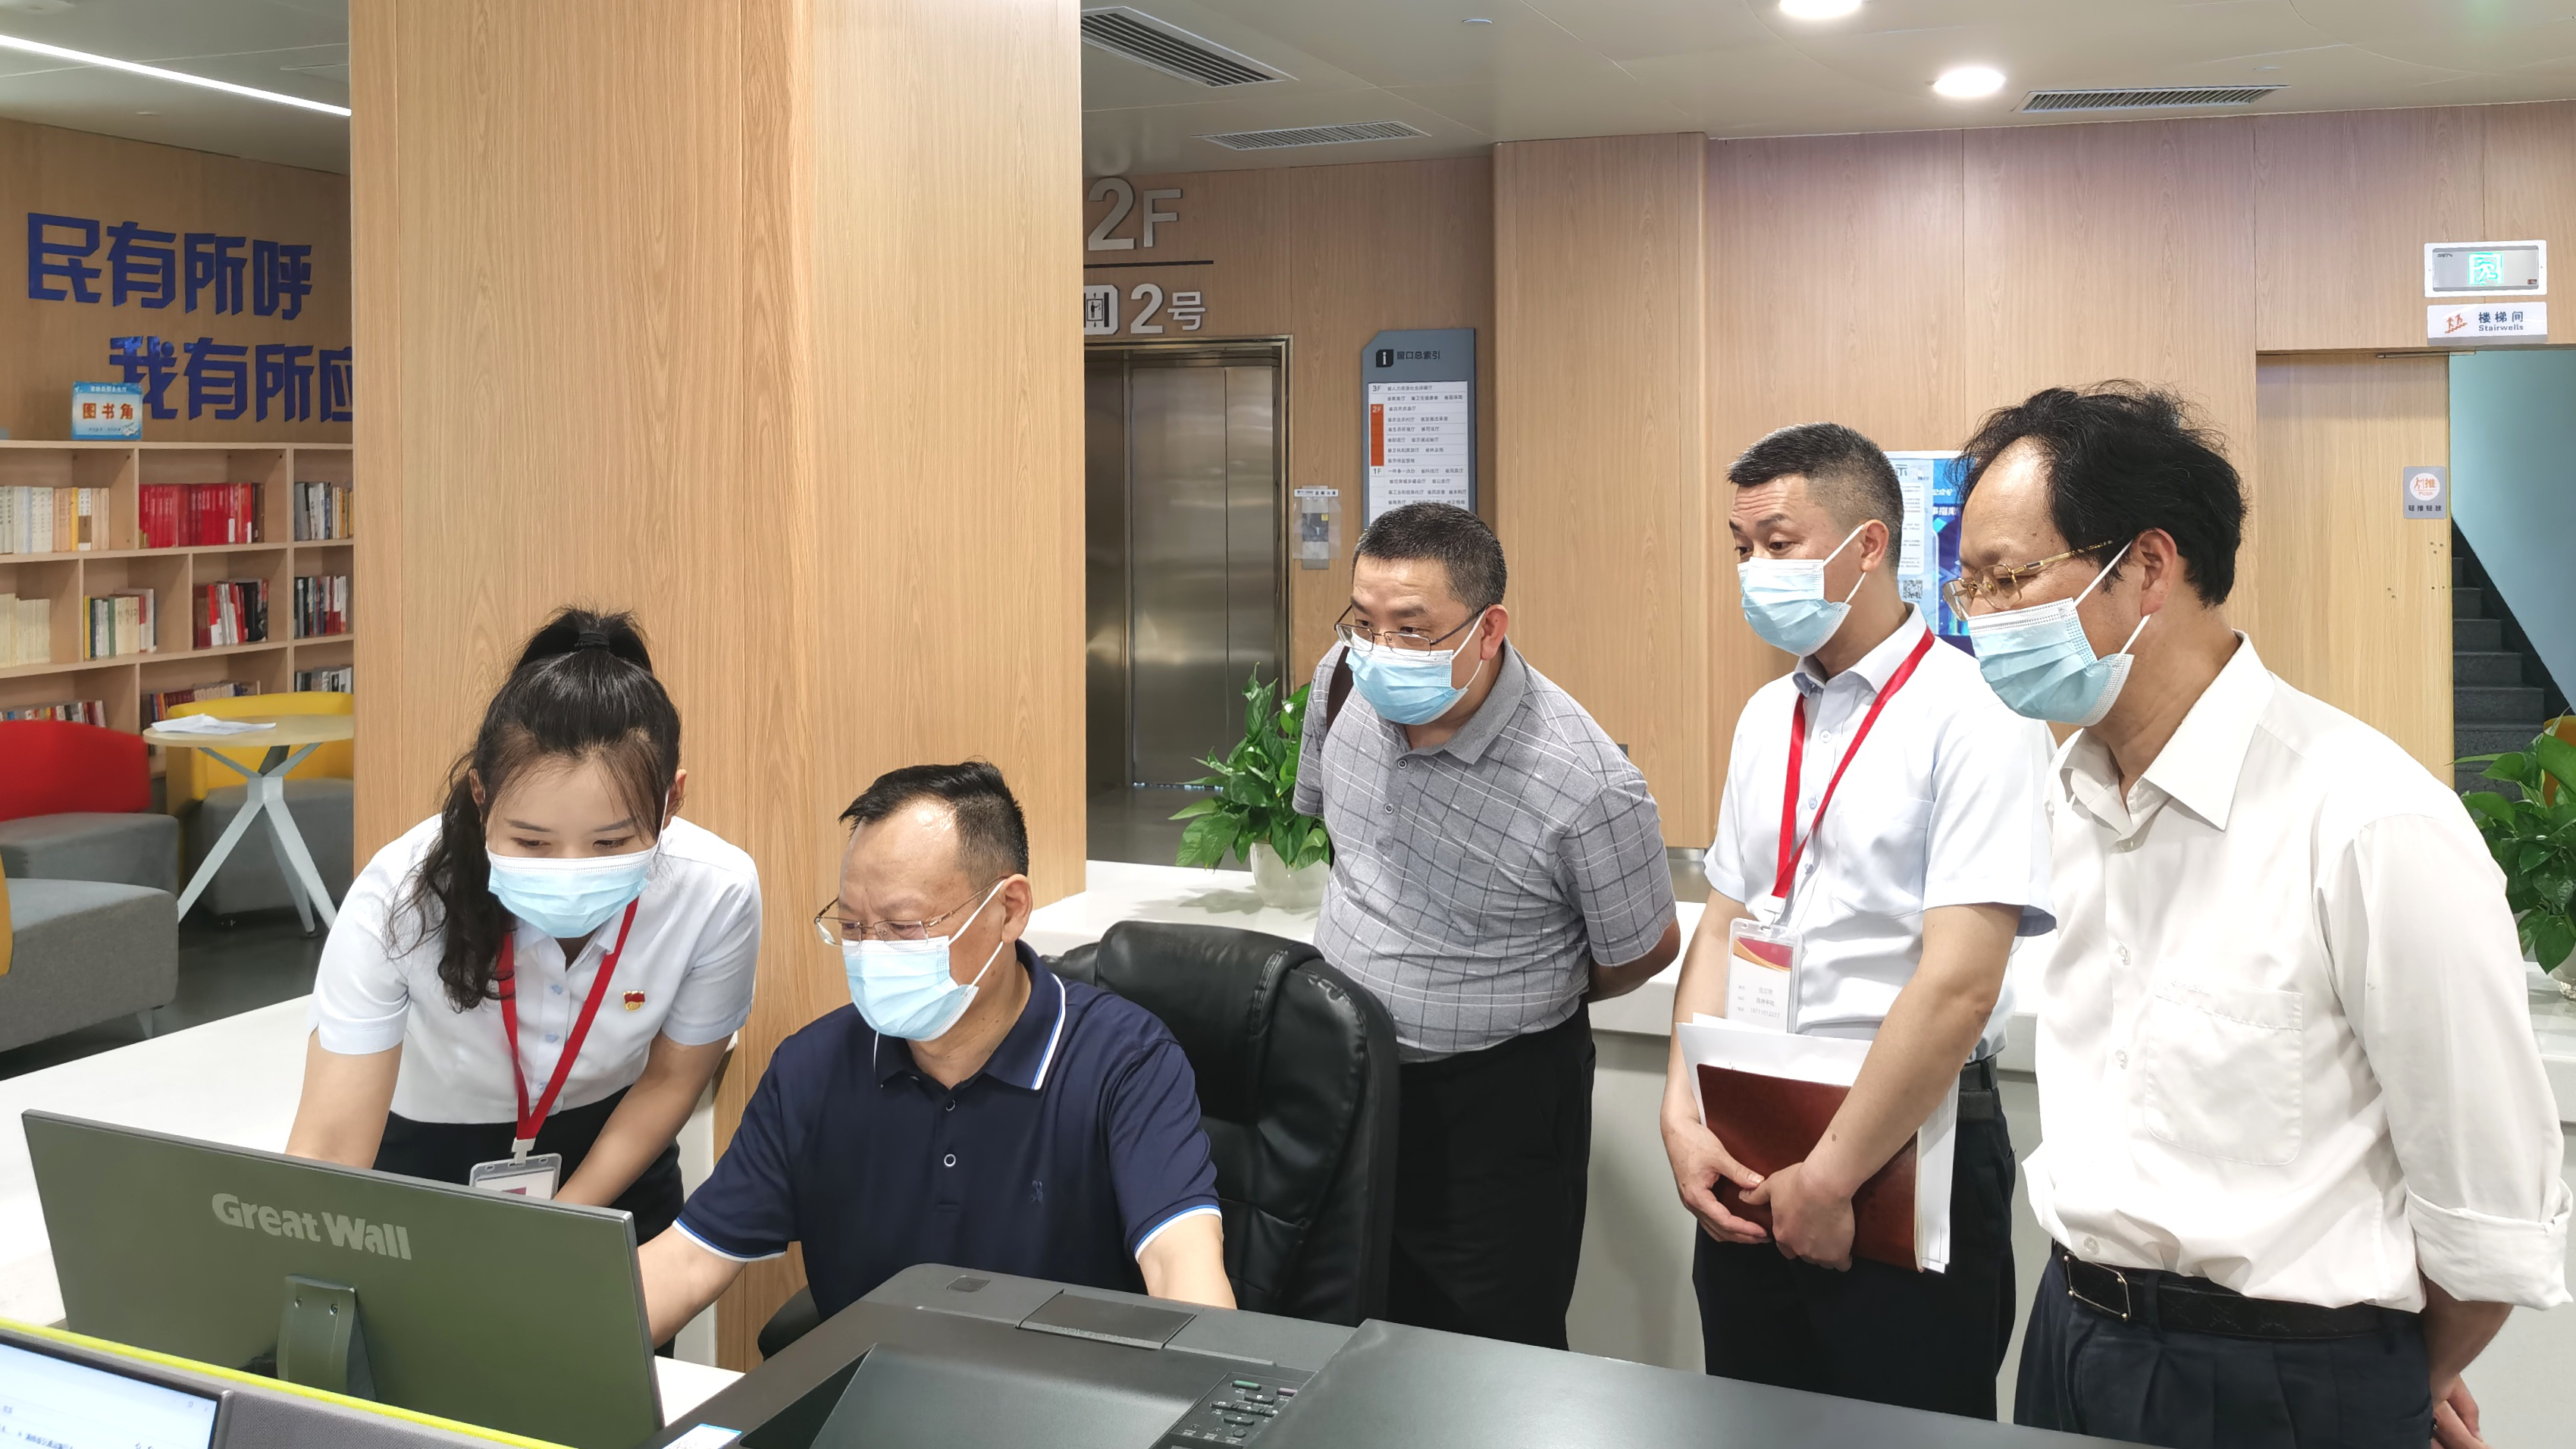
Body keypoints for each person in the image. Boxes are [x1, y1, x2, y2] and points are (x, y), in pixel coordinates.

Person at [1953, 383, 2569, 1449]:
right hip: (2069, 1336)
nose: (1982, 616)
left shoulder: (2365, 818)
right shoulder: (2067, 793)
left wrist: (2379, 1378)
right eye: (1970, 583)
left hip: (2283, 1378)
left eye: (2008, 579)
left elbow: (2490, 1207)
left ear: (2149, 566)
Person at [1659, 423, 2054, 1419]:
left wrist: (1831, 1178)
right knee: (1744, 1423)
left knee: (1904, 1425)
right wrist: (1681, 1110)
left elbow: (1960, 982)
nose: (1754, 570)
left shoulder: (1976, 710)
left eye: (1777, 543)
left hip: (1902, 1140)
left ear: (1867, 545)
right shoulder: (1766, 717)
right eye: (1741, 547)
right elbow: (1725, 920)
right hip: (1751, 1126)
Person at [638, 762, 1232, 1343]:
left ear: (1009, 909)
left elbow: (1182, 1268)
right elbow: (689, 1261)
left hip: (1069, 1396)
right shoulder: (813, 1068)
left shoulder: (1126, 1062)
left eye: (903, 926)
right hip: (874, 1393)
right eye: (852, 926)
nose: (871, 952)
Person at [1293, 501, 1680, 1350]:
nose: (1379, 649)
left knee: (1486, 1351)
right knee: (1340, 1325)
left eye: (1411, 629)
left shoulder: (1583, 780)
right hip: (1342, 1077)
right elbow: (1340, 835)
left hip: (1492, 1106)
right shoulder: (1342, 680)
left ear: (1488, 629)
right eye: (1364, 621)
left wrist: (1511, 984)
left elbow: (1643, 947)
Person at [287, 608, 761, 1269]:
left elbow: (670, 1081)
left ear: (671, 801)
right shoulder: (401, 896)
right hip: (428, 1163)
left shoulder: (716, 890)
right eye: (532, 842)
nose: (570, 869)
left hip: (617, 1158)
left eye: (611, 843)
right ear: (482, 796)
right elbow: (331, 1146)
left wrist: (559, 1224)